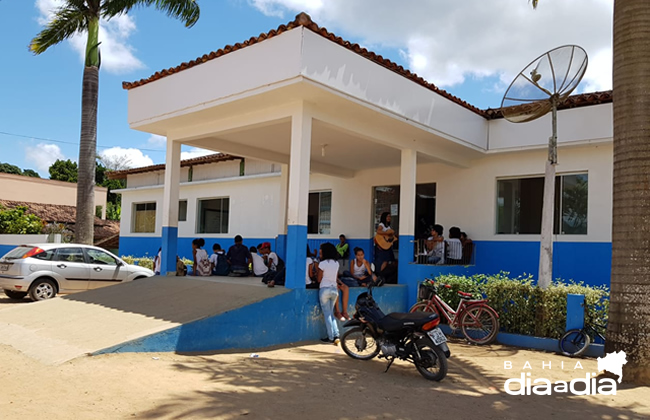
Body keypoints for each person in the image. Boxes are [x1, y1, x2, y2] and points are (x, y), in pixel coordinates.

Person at [317, 242, 340, 344]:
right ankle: (337, 335)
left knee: (327, 314)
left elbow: (319, 279)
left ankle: (330, 337)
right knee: (331, 313)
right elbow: (336, 277)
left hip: (324, 290)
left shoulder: (322, 264)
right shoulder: (336, 263)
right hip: (334, 289)